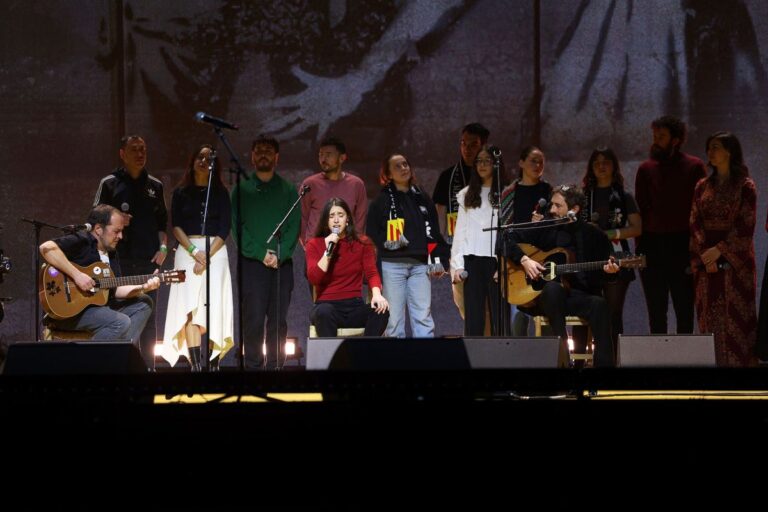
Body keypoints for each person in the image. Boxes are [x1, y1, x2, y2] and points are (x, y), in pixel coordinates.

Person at [504, 186, 619, 367]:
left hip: (578, 297)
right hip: (545, 299)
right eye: (552, 205)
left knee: (600, 304)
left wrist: (611, 273)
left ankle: (604, 368)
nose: (552, 210)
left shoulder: (595, 235)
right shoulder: (546, 227)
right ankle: (564, 360)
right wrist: (525, 260)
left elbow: (606, 274)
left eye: (558, 206)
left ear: (574, 209)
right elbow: (506, 238)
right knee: (552, 289)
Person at [39, 204, 160, 352]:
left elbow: (115, 290)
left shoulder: (112, 252)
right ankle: (94, 361)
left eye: (121, 231)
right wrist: (77, 275)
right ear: (98, 229)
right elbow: (46, 248)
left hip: (99, 309)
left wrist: (143, 287)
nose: (120, 236)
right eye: (116, 231)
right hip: (70, 312)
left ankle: (121, 356)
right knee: (120, 322)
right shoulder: (82, 240)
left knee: (144, 302)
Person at [93, 135, 168, 368]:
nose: (140, 154)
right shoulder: (109, 183)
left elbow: (162, 225)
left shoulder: (155, 186)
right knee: (120, 315)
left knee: (149, 317)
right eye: (134, 149)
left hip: (147, 260)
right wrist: (115, 219)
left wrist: (163, 247)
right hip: (118, 262)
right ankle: (118, 367)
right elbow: (94, 222)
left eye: (143, 149)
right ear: (122, 154)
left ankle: (148, 369)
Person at [161, 145, 233, 371]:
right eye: (200, 157)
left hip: (215, 251)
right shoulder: (180, 193)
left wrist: (207, 256)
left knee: (215, 305)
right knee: (189, 306)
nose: (204, 161)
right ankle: (196, 365)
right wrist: (194, 252)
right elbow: (176, 226)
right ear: (192, 161)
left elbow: (224, 228)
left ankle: (213, 363)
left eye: (209, 158)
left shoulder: (221, 193)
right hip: (187, 250)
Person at [690, 131, 757, 367]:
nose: (711, 152)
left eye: (716, 147)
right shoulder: (702, 186)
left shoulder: (745, 186)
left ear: (729, 151)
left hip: (735, 265)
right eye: (709, 148)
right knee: (709, 318)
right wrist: (705, 255)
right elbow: (695, 221)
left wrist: (720, 250)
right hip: (706, 263)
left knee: (737, 320)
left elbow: (745, 224)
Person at [232, 136, 300, 370]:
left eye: (268, 151)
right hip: (252, 265)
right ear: (252, 156)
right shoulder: (241, 190)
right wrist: (262, 254)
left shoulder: (288, 190)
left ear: (276, 157)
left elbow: (293, 227)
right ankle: (252, 369)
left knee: (278, 321)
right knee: (252, 320)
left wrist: (279, 254)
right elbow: (237, 229)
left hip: (282, 265)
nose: (263, 154)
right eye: (258, 150)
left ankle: (275, 368)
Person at [634, 116, 706, 334]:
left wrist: (697, 247)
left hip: (682, 243)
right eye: (655, 135)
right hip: (652, 244)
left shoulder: (694, 166)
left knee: (684, 309)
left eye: (662, 136)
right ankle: (659, 354)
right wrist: (641, 249)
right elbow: (642, 209)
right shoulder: (646, 169)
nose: (656, 140)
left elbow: (700, 208)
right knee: (656, 311)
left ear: (676, 140)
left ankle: (685, 354)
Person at [367, 153, 449, 338]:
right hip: (392, 266)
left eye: (405, 164)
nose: (404, 168)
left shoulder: (422, 197)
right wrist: (382, 252)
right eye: (397, 166)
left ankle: (424, 355)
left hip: (420, 265)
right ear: (388, 174)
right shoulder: (381, 201)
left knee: (423, 318)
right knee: (393, 321)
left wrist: (440, 259)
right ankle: (397, 356)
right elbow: (371, 236)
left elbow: (434, 231)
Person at [581, 147, 642, 353]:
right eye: (597, 162)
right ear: (591, 167)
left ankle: (612, 359)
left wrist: (608, 234)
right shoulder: (583, 196)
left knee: (613, 314)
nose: (601, 166)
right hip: (588, 258)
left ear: (614, 166)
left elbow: (637, 228)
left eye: (606, 162)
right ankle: (583, 360)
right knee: (587, 313)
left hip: (617, 255)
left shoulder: (624, 196)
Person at [307, 198, 389, 337]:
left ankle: (365, 350)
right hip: (327, 306)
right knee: (324, 312)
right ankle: (332, 352)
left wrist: (377, 295)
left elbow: (372, 273)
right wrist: (328, 251)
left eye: (340, 215)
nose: (336, 220)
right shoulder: (314, 244)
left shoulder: (362, 243)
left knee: (382, 310)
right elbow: (314, 278)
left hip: (354, 306)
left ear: (347, 219)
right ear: (326, 221)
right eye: (331, 216)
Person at [450, 145, 510, 336]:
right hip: (473, 260)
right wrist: (457, 265)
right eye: (479, 161)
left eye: (487, 161)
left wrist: (505, 263)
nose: (482, 165)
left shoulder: (505, 193)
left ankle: (504, 352)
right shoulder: (467, 194)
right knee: (474, 317)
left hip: (497, 261)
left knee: (500, 317)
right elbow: (460, 232)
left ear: (496, 164)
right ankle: (473, 353)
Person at [433, 123, 490, 320]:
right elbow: (439, 215)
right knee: (464, 303)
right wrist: (441, 250)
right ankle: (474, 336)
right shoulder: (448, 176)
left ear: (483, 146)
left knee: (489, 305)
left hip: (485, 249)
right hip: (457, 248)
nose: (467, 149)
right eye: (463, 143)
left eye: (473, 145)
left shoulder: (491, 178)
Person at [499, 145, 553, 336]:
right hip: (517, 259)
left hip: (542, 257)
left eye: (541, 162)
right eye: (533, 161)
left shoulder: (548, 191)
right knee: (519, 315)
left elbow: (555, 227)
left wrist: (544, 221)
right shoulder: (509, 193)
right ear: (521, 163)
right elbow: (504, 232)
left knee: (547, 313)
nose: (537, 165)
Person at [299, 137, 367, 246]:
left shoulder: (356, 184)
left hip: (347, 248)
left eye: (328, 155)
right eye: (321, 155)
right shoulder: (309, 184)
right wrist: (307, 245)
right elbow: (302, 218)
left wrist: (355, 246)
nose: (323, 159)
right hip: (316, 247)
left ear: (342, 158)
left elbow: (360, 220)